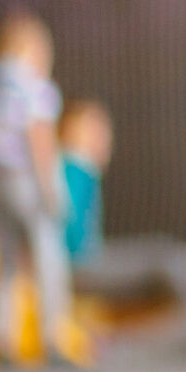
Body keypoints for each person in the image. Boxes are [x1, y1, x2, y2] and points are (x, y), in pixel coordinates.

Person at [0, 9, 73, 365]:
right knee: (48, 255)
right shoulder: (33, 86)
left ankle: (2, 338)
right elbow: (39, 137)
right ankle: (52, 338)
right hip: (25, 181)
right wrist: (51, 186)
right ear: (30, 49)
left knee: (5, 264)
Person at [58, 99, 113, 266]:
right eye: (92, 131)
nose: (102, 138)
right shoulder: (75, 167)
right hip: (77, 264)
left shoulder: (84, 172)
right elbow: (71, 236)